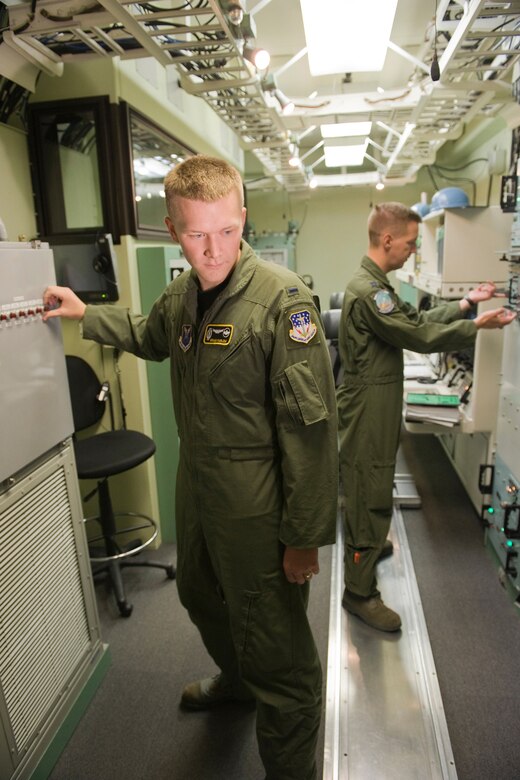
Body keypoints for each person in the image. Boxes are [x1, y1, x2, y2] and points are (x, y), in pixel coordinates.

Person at [43, 155, 339, 780]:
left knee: (277, 649)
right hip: (199, 491)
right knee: (200, 594)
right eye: (197, 234)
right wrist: (82, 313)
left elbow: (310, 434)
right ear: (173, 228)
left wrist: (304, 537)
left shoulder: (284, 303)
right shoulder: (182, 294)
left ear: (243, 219)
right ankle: (236, 682)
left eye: (227, 232)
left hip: (259, 502)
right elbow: (150, 334)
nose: (214, 251)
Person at [337, 201, 516, 633]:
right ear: (387, 240)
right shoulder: (369, 290)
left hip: (375, 402)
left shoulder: (377, 284)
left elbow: (413, 319)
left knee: (375, 483)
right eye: (412, 243)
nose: (414, 252)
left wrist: (463, 306)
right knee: (368, 491)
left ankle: (371, 544)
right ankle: (358, 592)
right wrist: (476, 326)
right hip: (367, 410)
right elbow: (417, 334)